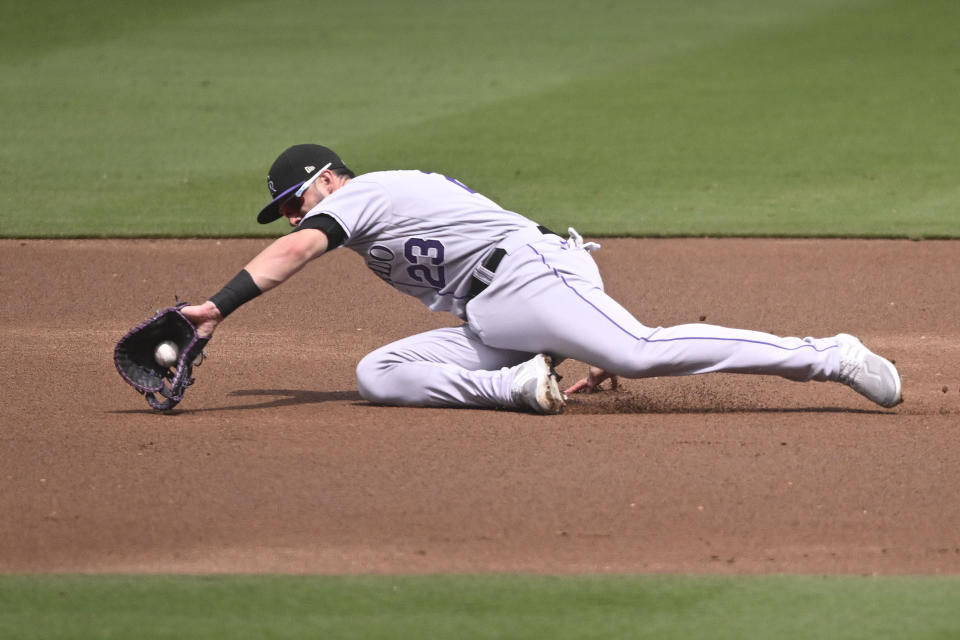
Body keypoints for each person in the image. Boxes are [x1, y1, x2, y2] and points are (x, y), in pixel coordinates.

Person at [181, 144, 902, 414]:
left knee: (639, 352)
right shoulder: (370, 232)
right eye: (283, 213)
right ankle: (518, 384)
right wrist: (553, 344)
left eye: (294, 202)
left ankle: (827, 354)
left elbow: (296, 254)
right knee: (380, 373)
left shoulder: (363, 194)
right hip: (497, 314)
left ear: (328, 178)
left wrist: (218, 307)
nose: (291, 220)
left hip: (530, 273)